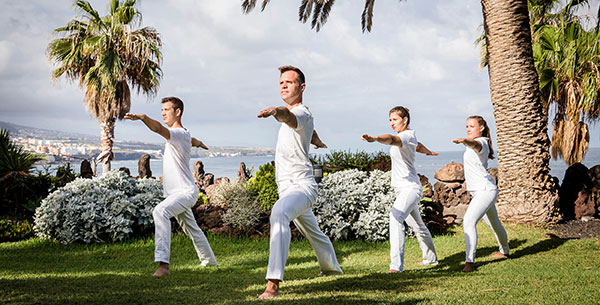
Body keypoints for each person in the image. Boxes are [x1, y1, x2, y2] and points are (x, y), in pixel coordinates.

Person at [257, 65, 343, 299]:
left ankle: (272, 284)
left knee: (279, 214)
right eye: (281, 83)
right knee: (314, 233)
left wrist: (276, 111)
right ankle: (331, 269)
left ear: (302, 87)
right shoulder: (303, 118)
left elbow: (292, 118)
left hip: (302, 186)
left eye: (290, 82)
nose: (284, 85)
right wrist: (316, 140)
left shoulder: (301, 113)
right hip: (286, 188)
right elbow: (305, 129)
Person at [124, 97, 218, 276]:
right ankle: (210, 262)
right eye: (162, 110)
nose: (163, 113)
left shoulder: (178, 133)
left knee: (160, 212)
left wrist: (143, 117)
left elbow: (158, 128)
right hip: (178, 193)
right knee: (192, 229)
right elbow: (192, 140)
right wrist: (199, 144)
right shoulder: (183, 135)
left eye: (167, 110)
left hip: (185, 192)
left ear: (178, 112)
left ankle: (163, 265)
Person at [362, 106, 438, 273]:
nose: (391, 123)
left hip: (410, 189)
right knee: (418, 226)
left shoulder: (405, 136)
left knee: (395, 217)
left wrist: (375, 138)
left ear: (405, 120)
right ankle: (431, 259)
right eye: (390, 120)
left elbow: (391, 139)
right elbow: (418, 146)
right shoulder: (410, 137)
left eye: (395, 120)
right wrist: (428, 152)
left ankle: (396, 266)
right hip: (402, 189)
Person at [452, 115, 509, 272]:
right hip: (482, 191)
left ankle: (469, 262)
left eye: (471, 126)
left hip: (485, 190)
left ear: (481, 128)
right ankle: (505, 251)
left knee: (469, 221)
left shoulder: (482, 142)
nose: (468, 129)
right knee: (494, 223)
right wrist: (465, 142)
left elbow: (474, 144)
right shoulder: (473, 145)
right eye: (467, 126)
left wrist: (464, 140)